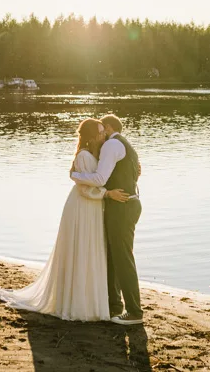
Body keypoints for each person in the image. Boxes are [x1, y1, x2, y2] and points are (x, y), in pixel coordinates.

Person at [0, 118, 131, 321]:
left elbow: (105, 174)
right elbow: (85, 189)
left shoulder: (97, 154)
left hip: (94, 208)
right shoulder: (84, 156)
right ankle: (77, 302)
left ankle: (91, 299)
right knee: (81, 249)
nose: (103, 135)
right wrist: (106, 193)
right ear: (92, 136)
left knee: (91, 250)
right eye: (100, 132)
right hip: (82, 207)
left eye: (103, 131)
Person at [70, 114, 143, 326]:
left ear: (109, 128)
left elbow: (100, 178)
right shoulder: (124, 144)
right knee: (113, 257)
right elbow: (131, 173)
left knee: (122, 259)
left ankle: (134, 311)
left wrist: (75, 176)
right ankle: (114, 306)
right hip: (124, 204)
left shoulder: (111, 145)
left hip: (123, 206)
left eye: (103, 130)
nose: (101, 135)